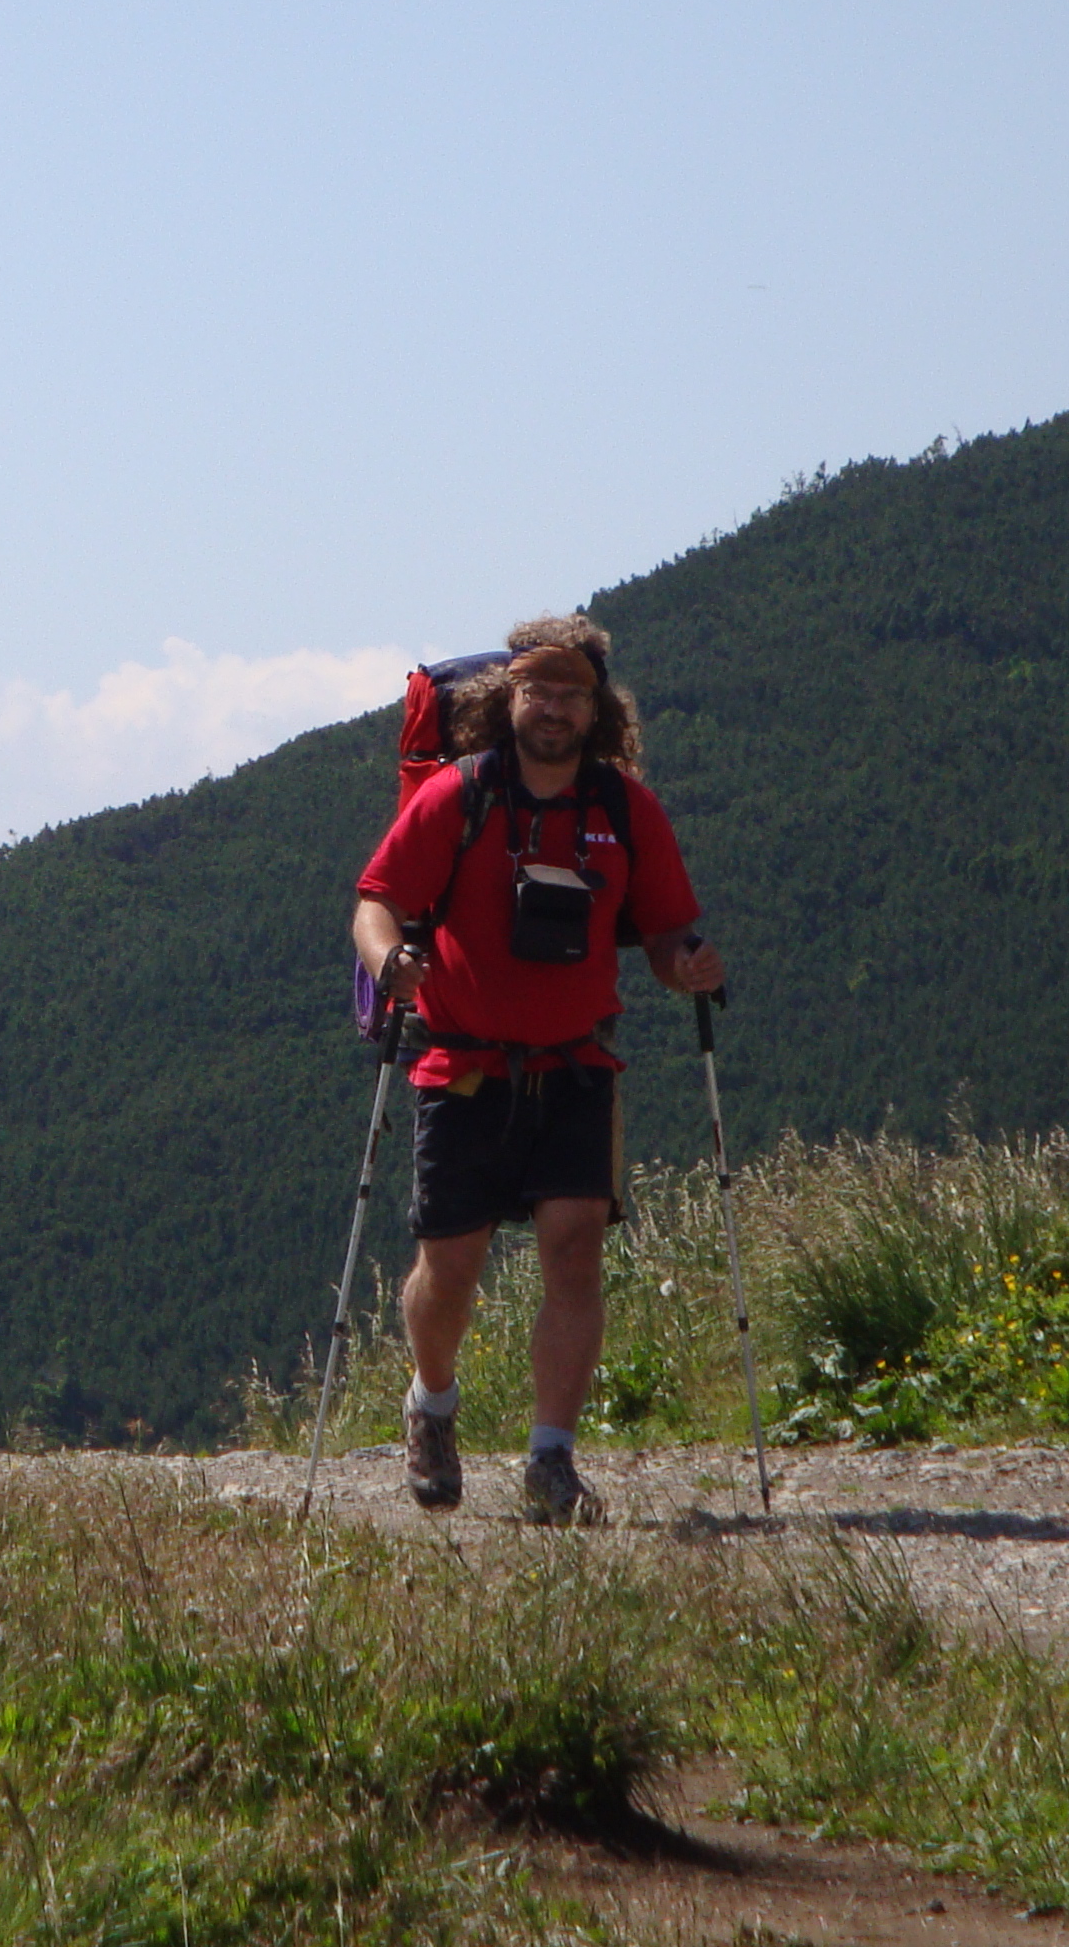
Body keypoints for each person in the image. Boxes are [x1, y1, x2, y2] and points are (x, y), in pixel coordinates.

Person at [349, 615, 724, 1524]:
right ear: (507, 697)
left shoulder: (627, 811)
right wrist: (390, 962)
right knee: (451, 1267)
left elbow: (667, 928)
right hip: (462, 1064)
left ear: (597, 710)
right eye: (538, 692)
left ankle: (551, 1460)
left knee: (575, 1249)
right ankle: (432, 1403)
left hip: (576, 1064)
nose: (554, 709)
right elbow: (377, 901)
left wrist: (686, 965)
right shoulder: (459, 796)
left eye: (571, 696)